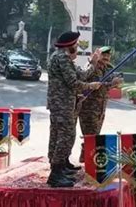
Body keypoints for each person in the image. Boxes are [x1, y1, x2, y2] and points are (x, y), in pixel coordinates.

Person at [46, 31, 101, 188]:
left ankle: (61, 165)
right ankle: (55, 174)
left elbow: (82, 75)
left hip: (63, 104)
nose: (77, 47)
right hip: (61, 104)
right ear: (70, 46)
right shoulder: (62, 58)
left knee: (59, 134)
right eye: (76, 44)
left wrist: (92, 63)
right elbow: (74, 82)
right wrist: (91, 86)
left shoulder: (62, 57)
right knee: (65, 135)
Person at [78, 46, 122, 162]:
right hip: (89, 107)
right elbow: (92, 86)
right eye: (104, 54)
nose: (106, 57)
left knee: (94, 135)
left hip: (101, 107)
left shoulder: (108, 68)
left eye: (108, 55)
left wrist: (117, 82)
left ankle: (85, 159)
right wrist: (111, 84)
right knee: (90, 135)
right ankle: (88, 160)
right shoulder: (90, 67)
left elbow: (115, 78)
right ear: (97, 55)